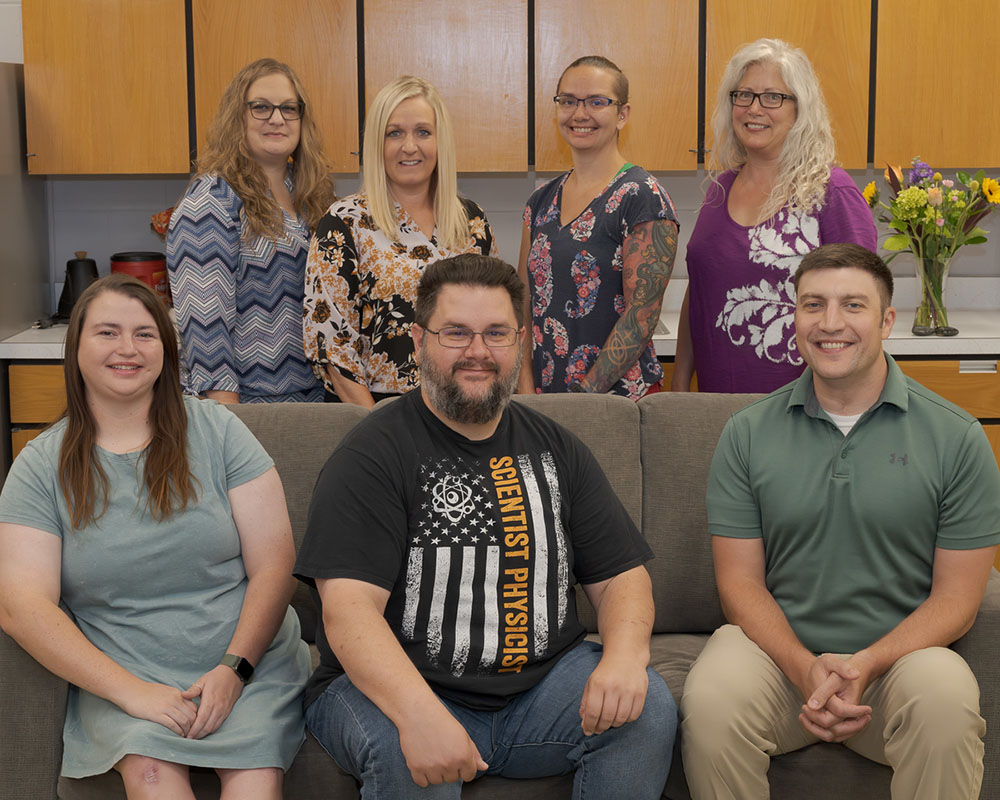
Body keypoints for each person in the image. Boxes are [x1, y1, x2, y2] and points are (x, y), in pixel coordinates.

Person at [295, 254, 675, 798]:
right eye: (456, 333)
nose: (478, 352)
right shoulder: (373, 454)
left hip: (540, 693)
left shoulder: (556, 447)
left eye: (496, 333)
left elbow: (621, 576)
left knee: (648, 708)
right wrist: (419, 714)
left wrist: (624, 657)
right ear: (419, 340)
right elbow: (348, 611)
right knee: (404, 750)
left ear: (520, 339)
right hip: (395, 689)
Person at [680, 243, 1000, 799]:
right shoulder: (747, 433)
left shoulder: (958, 438)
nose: (831, 324)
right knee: (709, 699)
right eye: (813, 305)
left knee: (948, 701)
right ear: (794, 315)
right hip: (778, 662)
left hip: (901, 665)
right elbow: (738, 584)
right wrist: (806, 669)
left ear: (887, 320)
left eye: (853, 305)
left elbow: (958, 599)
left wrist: (868, 664)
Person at [0, 274, 310, 798]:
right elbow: (22, 606)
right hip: (124, 675)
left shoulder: (219, 430)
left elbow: (276, 564)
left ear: (166, 351)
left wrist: (234, 669)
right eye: (107, 333)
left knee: (255, 788)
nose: (128, 349)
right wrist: (133, 694)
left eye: (145, 334)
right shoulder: (39, 466)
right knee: (154, 782)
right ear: (74, 348)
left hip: (244, 665)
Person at [672, 38, 876, 394]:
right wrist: (678, 384)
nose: (755, 108)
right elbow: (700, 289)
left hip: (804, 410)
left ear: (800, 109)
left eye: (773, 97)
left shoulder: (831, 194)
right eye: (744, 95)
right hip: (714, 404)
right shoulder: (719, 190)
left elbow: (862, 307)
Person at [303, 76, 497, 407]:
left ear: (441, 142)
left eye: (423, 132)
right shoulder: (344, 222)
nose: (410, 146)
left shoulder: (472, 222)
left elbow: (492, 325)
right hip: (374, 411)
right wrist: (378, 432)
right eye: (394, 133)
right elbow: (332, 347)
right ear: (377, 144)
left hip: (462, 408)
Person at [168, 58, 335, 403]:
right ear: (237, 116)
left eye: (289, 108)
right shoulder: (212, 200)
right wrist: (229, 427)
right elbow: (206, 334)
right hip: (249, 408)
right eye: (261, 107)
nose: (277, 118)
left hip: (314, 404)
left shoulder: (310, 198)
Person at [517, 55, 678, 400]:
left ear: (622, 115)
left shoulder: (642, 197)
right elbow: (524, 303)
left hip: (616, 401)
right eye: (568, 101)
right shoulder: (540, 202)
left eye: (597, 102)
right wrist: (525, 387)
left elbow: (641, 317)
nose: (580, 114)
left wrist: (585, 398)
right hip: (546, 396)